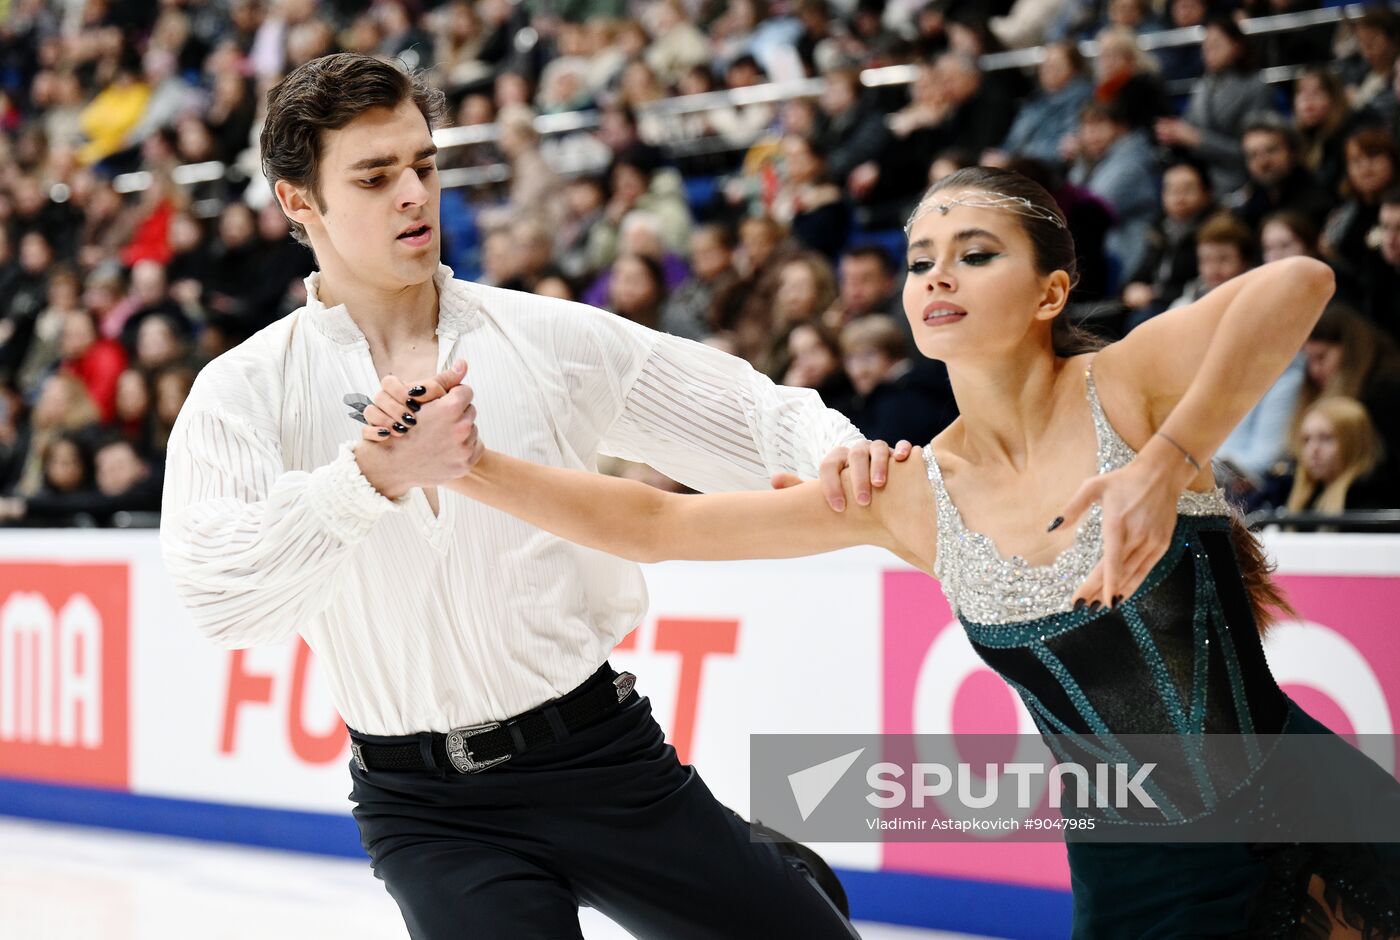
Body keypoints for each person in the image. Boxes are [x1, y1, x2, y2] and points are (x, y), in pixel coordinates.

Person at [368, 167, 1400, 937]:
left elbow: (1299, 281)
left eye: (973, 253)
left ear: (1047, 294)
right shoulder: (908, 495)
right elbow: (658, 526)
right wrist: (460, 465)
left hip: (1310, 803)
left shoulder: (1124, 390)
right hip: (1139, 872)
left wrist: (1160, 463)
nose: (935, 274)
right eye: (918, 261)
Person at [159, 53, 897, 940]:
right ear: (296, 201)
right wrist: (373, 477)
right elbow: (219, 595)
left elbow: (752, 412)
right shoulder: (244, 390)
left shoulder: (544, 336)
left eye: (424, 166)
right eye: (375, 175)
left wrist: (845, 455)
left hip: (604, 763)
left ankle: (762, 871)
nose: (413, 193)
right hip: (427, 810)